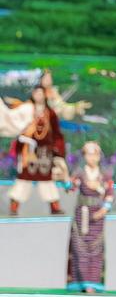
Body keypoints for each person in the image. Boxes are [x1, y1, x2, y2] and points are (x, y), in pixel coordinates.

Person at [8, 85, 67, 215]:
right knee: (24, 179)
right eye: (36, 93)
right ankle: (14, 207)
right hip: (29, 151)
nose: (38, 95)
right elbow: (18, 128)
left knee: (47, 179)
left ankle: (54, 207)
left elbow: (57, 133)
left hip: (45, 152)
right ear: (33, 94)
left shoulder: (50, 113)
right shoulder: (26, 110)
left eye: (41, 93)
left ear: (44, 95)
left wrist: (58, 150)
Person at [66, 141, 114, 293]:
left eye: (94, 154)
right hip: (81, 215)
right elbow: (71, 188)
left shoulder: (104, 176)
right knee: (79, 249)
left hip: (97, 217)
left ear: (99, 156)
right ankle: (80, 282)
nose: (92, 157)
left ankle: (93, 283)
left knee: (95, 250)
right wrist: (65, 180)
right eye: (88, 154)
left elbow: (109, 194)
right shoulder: (80, 174)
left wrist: (104, 210)